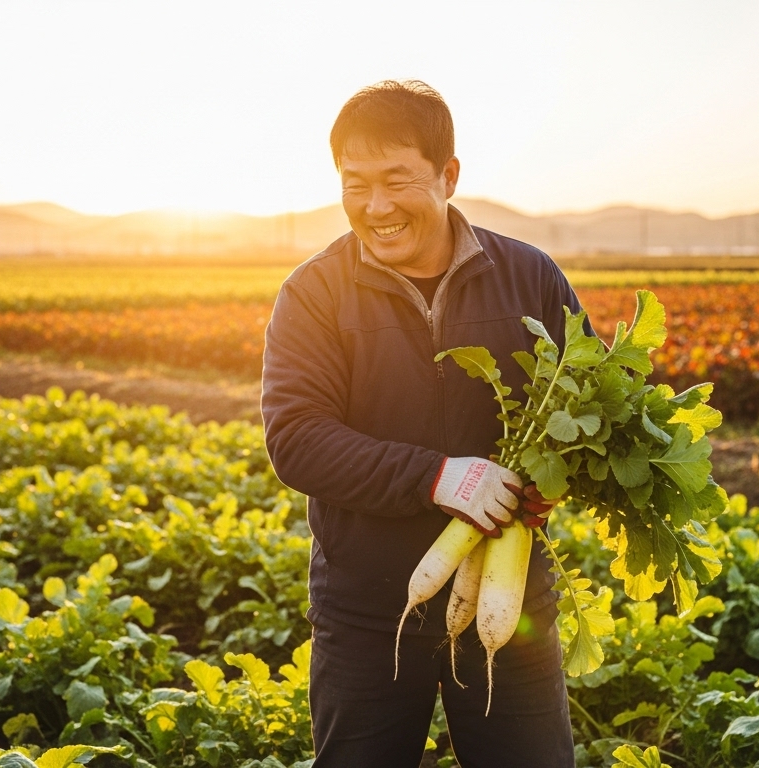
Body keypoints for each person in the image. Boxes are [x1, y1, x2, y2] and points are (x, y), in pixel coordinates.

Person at [261, 80, 588, 768]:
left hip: (509, 601)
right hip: (368, 611)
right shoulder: (314, 294)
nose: (375, 206)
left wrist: (559, 475)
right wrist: (437, 477)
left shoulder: (529, 277)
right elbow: (297, 440)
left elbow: (587, 409)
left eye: (397, 180)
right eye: (355, 184)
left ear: (448, 176)